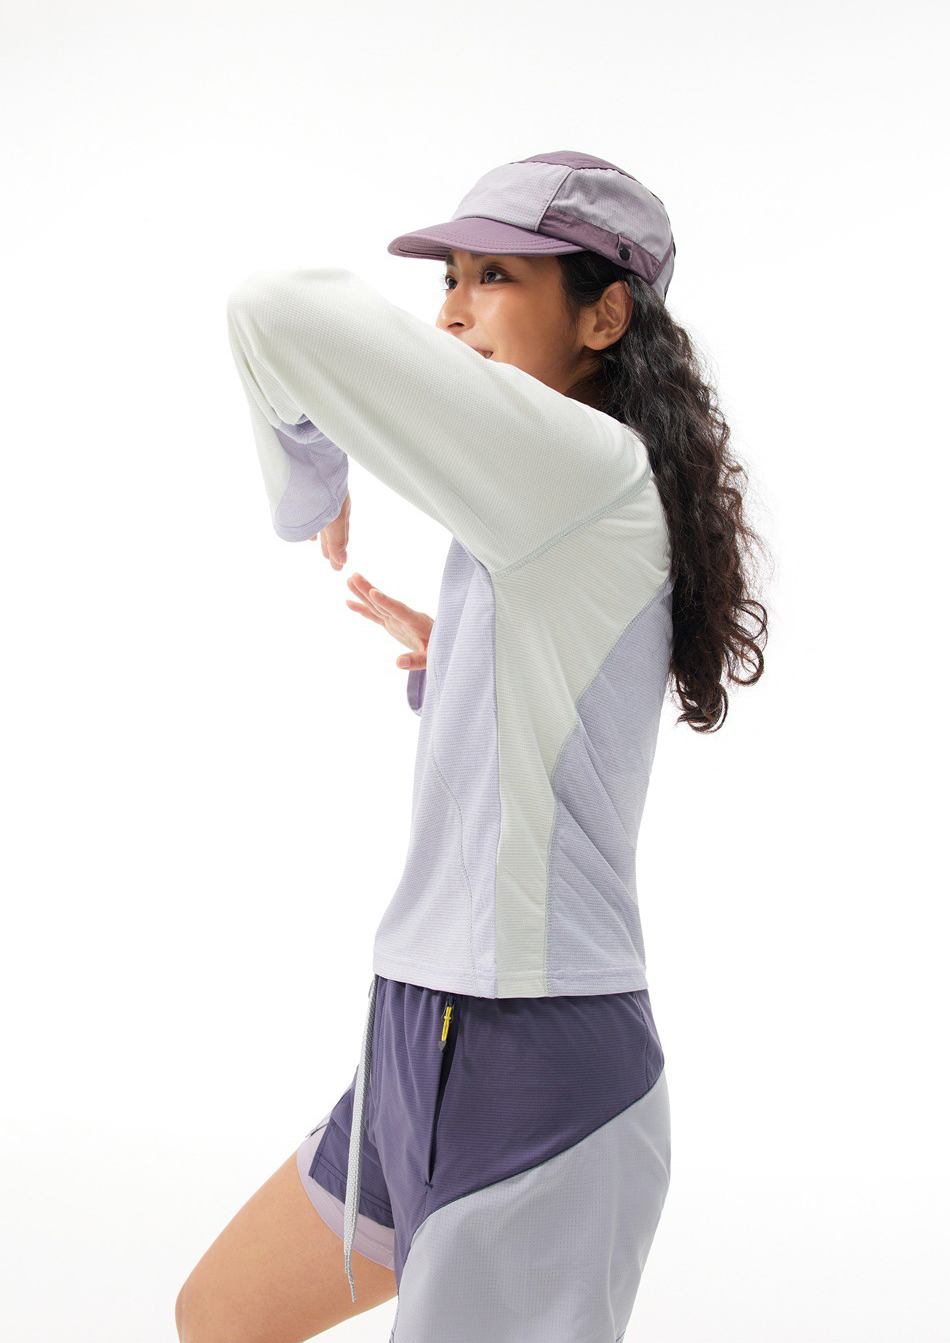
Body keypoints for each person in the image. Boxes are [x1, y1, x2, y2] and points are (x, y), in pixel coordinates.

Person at [176, 149, 769, 1343]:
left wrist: (309, 483)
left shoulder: (585, 470)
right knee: (221, 1316)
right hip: (416, 1026)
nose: (451, 311)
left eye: (494, 276)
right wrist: (457, 667)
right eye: (447, 277)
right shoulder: (547, 510)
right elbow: (566, 731)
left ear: (604, 316)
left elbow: (272, 308)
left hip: (534, 1062)